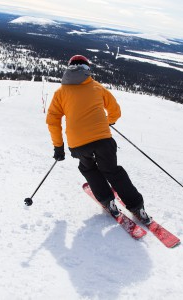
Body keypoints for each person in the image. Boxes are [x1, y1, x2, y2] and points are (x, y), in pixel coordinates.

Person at [46, 54, 152, 224]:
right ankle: (137, 207)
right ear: (88, 69)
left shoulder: (60, 93)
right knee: (112, 171)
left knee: (88, 168)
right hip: (103, 140)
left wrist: (58, 147)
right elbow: (115, 111)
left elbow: (52, 121)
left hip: (78, 144)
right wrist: (107, 122)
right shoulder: (97, 87)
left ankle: (108, 201)